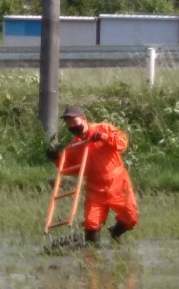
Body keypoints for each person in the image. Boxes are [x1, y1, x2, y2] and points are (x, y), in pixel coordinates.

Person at [46, 105, 139, 245]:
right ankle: (92, 255)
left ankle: (115, 232)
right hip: (95, 189)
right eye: (68, 123)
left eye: (73, 121)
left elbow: (123, 142)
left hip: (118, 183)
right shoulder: (74, 146)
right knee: (91, 224)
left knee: (131, 218)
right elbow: (69, 168)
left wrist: (103, 137)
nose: (71, 125)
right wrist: (56, 159)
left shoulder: (103, 129)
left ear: (83, 119)